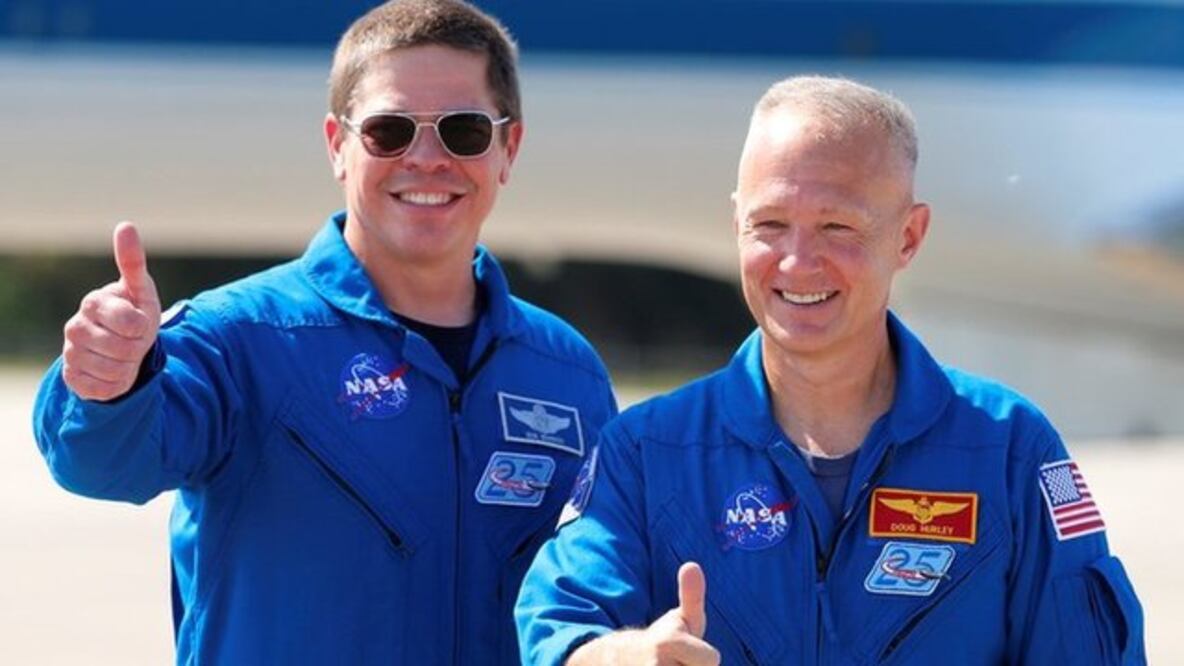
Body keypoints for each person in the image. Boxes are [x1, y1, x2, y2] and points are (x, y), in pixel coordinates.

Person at [32, 1, 617, 663]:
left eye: (463, 130)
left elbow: (596, 585)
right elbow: (104, 461)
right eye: (390, 131)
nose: (427, 158)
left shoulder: (566, 373)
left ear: (507, 148)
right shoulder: (241, 340)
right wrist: (108, 384)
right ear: (338, 145)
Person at [516, 76, 1145, 665]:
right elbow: (561, 627)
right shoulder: (647, 453)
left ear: (908, 237)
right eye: (769, 224)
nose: (797, 261)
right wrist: (624, 655)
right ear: (735, 222)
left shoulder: (1009, 448)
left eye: (837, 226)